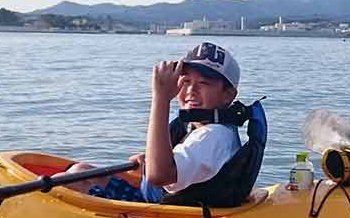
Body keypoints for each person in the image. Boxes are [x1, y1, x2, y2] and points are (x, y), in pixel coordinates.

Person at [67, 42, 267, 207]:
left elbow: (159, 175)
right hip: (161, 204)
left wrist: (161, 98)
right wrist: (149, 162)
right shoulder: (207, 129)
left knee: (73, 180)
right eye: (186, 81)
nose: (191, 91)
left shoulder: (212, 136)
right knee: (81, 170)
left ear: (228, 95)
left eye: (204, 83)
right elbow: (174, 167)